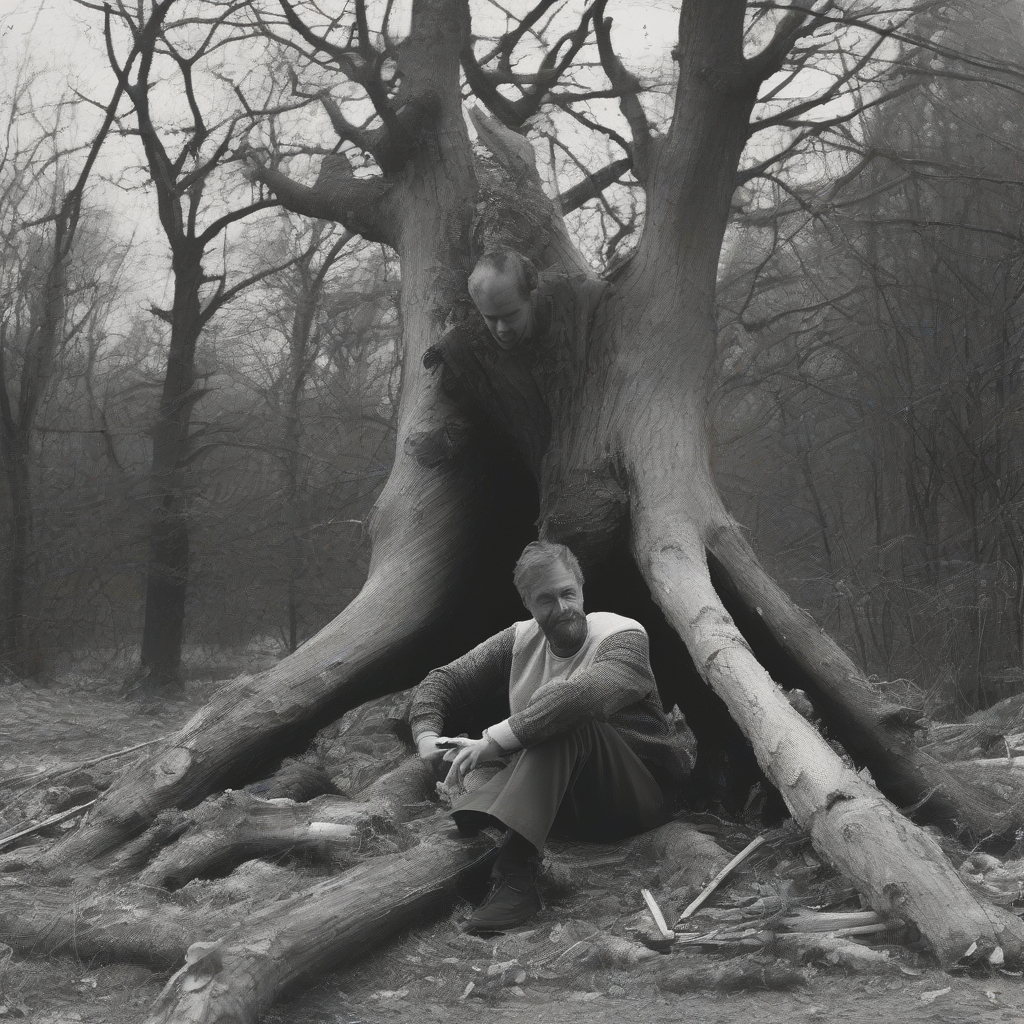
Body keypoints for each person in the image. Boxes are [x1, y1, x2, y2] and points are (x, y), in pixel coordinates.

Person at [409, 540, 692, 934]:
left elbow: (585, 697)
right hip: (563, 804)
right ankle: (481, 813)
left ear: (581, 587)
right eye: (546, 600)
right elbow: (445, 678)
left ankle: (517, 875)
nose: (561, 609)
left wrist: (492, 741)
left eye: (567, 594)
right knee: (519, 738)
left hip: (636, 798)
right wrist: (426, 734)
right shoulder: (518, 641)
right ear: (527, 602)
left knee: (563, 713)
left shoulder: (624, 636)